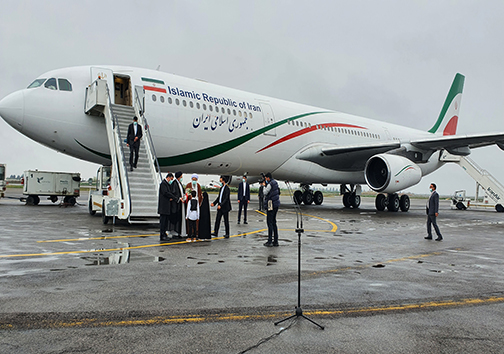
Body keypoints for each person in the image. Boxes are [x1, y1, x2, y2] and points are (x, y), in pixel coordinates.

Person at [263, 172, 280, 247]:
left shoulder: (270, 184)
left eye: (266, 178)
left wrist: (264, 186)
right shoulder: (275, 183)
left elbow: (265, 192)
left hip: (271, 204)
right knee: (274, 222)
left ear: (268, 178)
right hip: (276, 204)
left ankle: (270, 240)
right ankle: (275, 241)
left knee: (269, 222)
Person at [158, 173, 175, 242]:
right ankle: (162, 235)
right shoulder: (163, 184)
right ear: (168, 177)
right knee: (163, 222)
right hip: (163, 207)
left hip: (166, 207)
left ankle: (164, 234)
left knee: (165, 222)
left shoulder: (166, 184)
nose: (171, 181)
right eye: (171, 179)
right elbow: (165, 193)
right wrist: (172, 197)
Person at [172, 171, 187, 238]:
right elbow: (174, 194)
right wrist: (179, 198)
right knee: (176, 218)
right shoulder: (174, 183)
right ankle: (175, 232)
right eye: (181, 176)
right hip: (176, 204)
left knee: (179, 218)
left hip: (180, 203)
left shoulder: (179, 183)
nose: (182, 177)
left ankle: (179, 232)